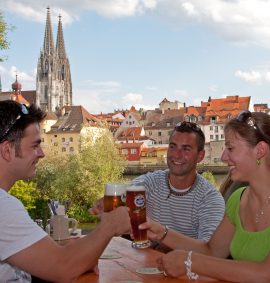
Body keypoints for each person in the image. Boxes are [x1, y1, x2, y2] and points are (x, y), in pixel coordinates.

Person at [0, 100, 131, 283]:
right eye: (35, 145)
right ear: (7, 150)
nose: (42, 153)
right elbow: (63, 269)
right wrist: (111, 225)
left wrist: (77, 255)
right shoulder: (4, 206)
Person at [140, 111, 270, 282]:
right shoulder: (238, 199)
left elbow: (265, 274)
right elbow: (212, 251)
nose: (223, 157)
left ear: (260, 150)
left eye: (230, 148)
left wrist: (190, 262)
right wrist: (161, 233)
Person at [91, 121, 225, 245]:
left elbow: (208, 251)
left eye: (186, 149)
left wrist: (164, 244)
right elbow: (129, 191)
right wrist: (110, 203)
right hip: (147, 263)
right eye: (172, 147)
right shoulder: (152, 182)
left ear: (200, 156)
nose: (176, 155)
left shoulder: (210, 199)